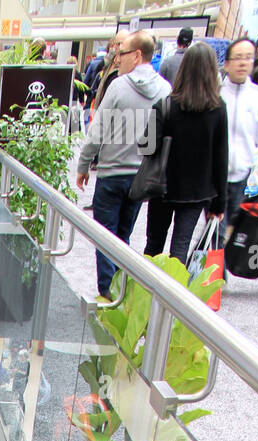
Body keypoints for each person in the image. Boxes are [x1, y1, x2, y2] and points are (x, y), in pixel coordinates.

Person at [76, 32, 171, 298]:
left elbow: (98, 130)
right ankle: (120, 294)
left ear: (137, 55)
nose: (118, 58)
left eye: (123, 53)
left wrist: (83, 164)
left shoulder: (119, 86)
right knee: (123, 237)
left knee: (104, 239)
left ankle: (109, 295)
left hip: (111, 172)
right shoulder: (165, 89)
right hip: (141, 176)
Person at [143, 43, 228, 265]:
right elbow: (221, 156)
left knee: (153, 244)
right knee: (180, 247)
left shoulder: (166, 105)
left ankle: (142, 293)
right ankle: (171, 298)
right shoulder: (218, 108)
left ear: (183, 69)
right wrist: (220, 202)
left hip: (163, 187)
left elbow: (147, 146)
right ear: (212, 71)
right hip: (198, 192)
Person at [221, 39, 258, 246]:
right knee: (217, 228)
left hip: (241, 173)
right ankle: (214, 272)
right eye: (238, 58)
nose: (243, 63)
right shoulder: (216, 92)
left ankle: (213, 269)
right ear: (227, 63)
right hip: (214, 174)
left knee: (229, 227)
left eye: (248, 57)